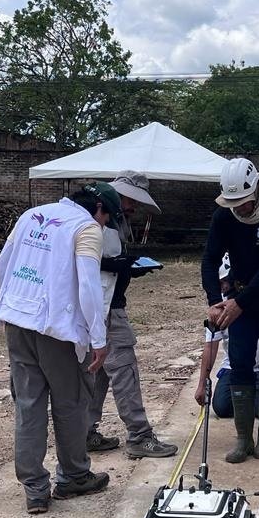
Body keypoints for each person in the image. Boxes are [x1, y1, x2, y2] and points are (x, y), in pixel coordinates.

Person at [0, 188, 111, 514]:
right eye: (106, 219)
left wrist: (12, 304)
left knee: (28, 405)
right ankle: (74, 475)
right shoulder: (84, 228)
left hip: (18, 320)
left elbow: (4, 263)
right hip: (55, 329)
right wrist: (98, 339)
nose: (103, 226)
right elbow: (89, 286)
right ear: (98, 209)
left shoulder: (31, 216)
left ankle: (34, 490)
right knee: (71, 402)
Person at [201, 158, 259, 463]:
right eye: (233, 203)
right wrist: (216, 299)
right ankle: (243, 438)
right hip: (240, 293)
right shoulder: (224, 216)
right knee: (240, 360)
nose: (239, 209)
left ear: (256, 190)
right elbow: (209, 259)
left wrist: (239, 303)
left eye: (243, 202)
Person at [84, 174, 178, 459]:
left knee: (97, 371)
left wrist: (126, 266)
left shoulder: (109, 220)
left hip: (100, 305)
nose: (133, 208)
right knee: (124, 368)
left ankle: (85, 431)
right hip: (107, 309)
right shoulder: (100, 222)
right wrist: (120, 265)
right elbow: (92, 262)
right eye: (130, 200)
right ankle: (139, 435)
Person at [195, 255, 259, 420]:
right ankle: (245, 396)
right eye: (219, 283)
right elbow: (210, 345)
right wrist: (202, 383)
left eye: (225, 281)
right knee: (222, 407)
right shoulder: (219, 306)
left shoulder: (258, 299)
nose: (222, 287)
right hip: (233, 368)